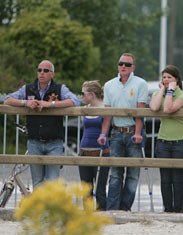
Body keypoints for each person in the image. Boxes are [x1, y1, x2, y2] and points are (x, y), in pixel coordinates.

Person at [4, 60, 79, 188]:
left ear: (52, 74)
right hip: (34, 141)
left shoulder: (60, 88)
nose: (42, 73)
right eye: (39, 70)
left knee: (52, 182)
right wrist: (25, 103)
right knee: (37, 182)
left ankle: (50, 208)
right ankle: (39, 208)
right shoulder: (28, 88)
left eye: (46, 70)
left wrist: (51, 104)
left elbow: (75, 101)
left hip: (54, 142)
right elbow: (7, 99)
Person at [97, 53, 148, 211]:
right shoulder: (109, 85)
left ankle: (125, 208)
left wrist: (138, 133)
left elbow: (140, 111)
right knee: (115, 173)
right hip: (116, 132)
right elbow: (107, 113)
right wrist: (103, 134)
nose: (123, 66)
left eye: (127, 64)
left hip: (133, 129)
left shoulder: (140, 83)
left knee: (133, 174)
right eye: (121, 63)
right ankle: (113, 209)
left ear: (133, 67)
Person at [149, 65, 183, 213]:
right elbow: (154, 107)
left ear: (176, 80)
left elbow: (168, 109)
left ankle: (178, 211)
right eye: (164, 77)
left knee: (177, 179)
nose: (166, 80)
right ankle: (167, 209)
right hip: (162, 141)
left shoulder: (182, 94)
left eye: (169, 77)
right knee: (165, 179)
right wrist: (162, 90)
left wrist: (171, 91)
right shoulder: (158, 93)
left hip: (180, 141)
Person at [79, 80, 110, 211]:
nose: (82, 97)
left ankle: (101, 213)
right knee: (86, 188)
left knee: (100, 188)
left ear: (91, 94)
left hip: (101, 150)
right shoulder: (85, 109)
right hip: (84, 150)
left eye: (83, 93)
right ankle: (87, 215)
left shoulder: (105, 108)